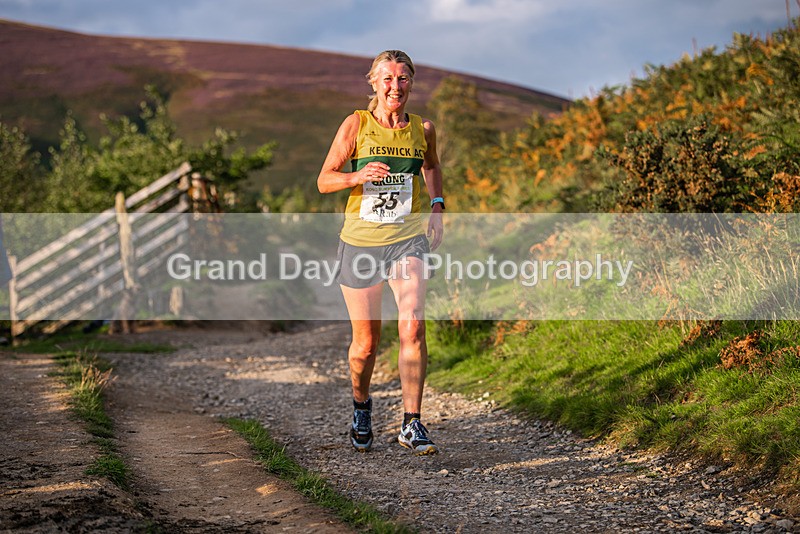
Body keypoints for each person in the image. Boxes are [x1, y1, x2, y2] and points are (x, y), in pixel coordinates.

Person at [317, 50, 445, 455]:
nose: (395, 87)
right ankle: (361, 406)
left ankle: (412, 423)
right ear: (373, 82)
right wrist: (357, 175)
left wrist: (438, 205)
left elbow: (432, 166)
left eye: (403, 78)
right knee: (366, 344)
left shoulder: (422, 128)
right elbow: (324, 180)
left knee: (412, 328)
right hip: (361, 242)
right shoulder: (357, 123)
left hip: (408, 239)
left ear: (412, 82)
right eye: (387, 79)